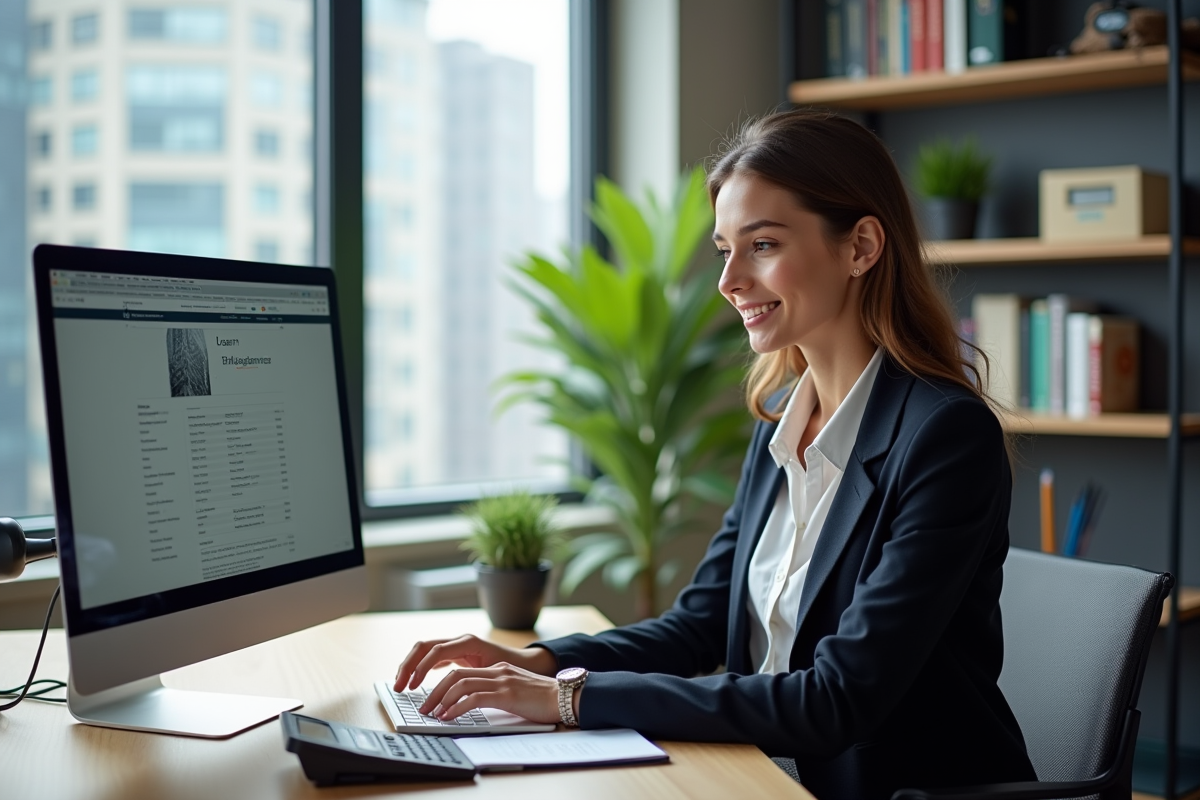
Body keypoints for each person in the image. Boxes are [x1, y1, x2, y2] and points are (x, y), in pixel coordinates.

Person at [393, 109, 1037, 800]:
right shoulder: (780, 424)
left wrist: (569, 699)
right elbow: (697, 626)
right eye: (726, 249)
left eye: (762, 244)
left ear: (861, 247)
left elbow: (836, 700)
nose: (729, 279)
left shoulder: (945, 437)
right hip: (762, 776)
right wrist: (537, 662)